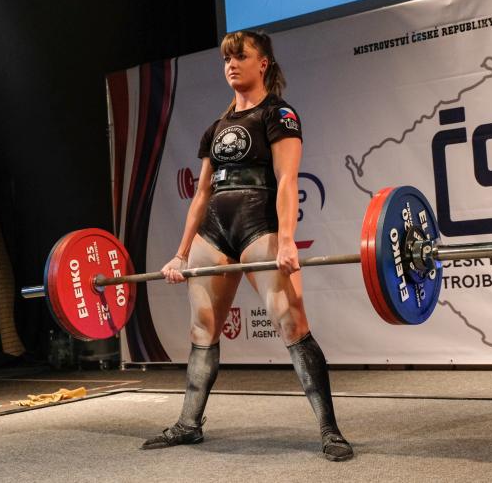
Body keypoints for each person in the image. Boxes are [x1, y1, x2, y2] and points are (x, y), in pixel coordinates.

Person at [140, 31, 353, 461]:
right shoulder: (215, 128)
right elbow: (201, 194)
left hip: (260, 227)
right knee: (202, 329)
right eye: (226, 59)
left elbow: (287, 181)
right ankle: (189, 424)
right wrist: (180, 254)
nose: (232, 65)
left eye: (241, 57)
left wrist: (287, 240)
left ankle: (330, 431)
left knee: (292, 324)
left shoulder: (279, 114)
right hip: (214, 231)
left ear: (264, 64)